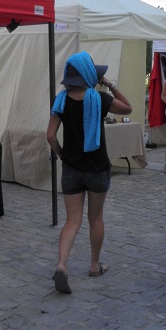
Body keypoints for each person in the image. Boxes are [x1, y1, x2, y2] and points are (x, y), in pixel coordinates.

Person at [46, 52, 132, 294]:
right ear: (87, 74)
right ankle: (95, 265)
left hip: (71, 169)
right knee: (95, 218)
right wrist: (110, 85)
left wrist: (62, 155)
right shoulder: (100, 99)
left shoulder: (61, 100)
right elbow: (128, 108)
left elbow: (50, 135)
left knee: (72, 221)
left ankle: (62, 265)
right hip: (97, 168)